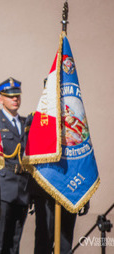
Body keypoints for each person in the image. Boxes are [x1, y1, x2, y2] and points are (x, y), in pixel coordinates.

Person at [24, 78, 89, 254]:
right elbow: (30, 155)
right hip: (45, 189)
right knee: (44, 241)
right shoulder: (36, 118)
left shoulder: (74, 117)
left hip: (70, 187)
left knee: (65, 242)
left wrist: (85, 193)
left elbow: (82, 154)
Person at [0, 77, 30, 254]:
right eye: (10, 96)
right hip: (3, 189)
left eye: (17, 96)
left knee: (15, 243)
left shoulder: (25, 123)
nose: (15, 99)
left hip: (22, 189)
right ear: (1, 99)